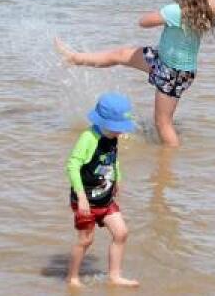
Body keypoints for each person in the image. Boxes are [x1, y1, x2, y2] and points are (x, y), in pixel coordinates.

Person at [55, 0, 215, 147]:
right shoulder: (204, 9)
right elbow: (214, 5)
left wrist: (165, 13)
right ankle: (75, 58)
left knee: (162, 123)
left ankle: (169, 161)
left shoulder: (176, 11)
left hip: (172, 72)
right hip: (166, 62)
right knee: (121, 54)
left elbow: (144, 22)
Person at [65, 92, 139, 288]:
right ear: (104, 122)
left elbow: (113, 160)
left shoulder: (112, 137)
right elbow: (72, 165)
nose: (120, 132)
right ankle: (72, 277)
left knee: (121, 233)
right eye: (117, 128)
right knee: (85, 241)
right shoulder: (88, 138)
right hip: (86, 200)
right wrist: (80, 197)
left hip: (105, 198)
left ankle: (115, 275)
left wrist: (118, 179)